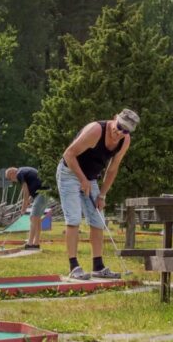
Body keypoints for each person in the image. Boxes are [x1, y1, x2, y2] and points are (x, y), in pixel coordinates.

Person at [56, 109, 140, 280]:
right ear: (115, 118)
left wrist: (102, 195)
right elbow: (68, 154)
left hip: (91, 178)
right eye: (119, 127)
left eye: (125, 131)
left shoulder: (125, 141)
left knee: (97, 220)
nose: (120, 132)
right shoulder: (95, 130)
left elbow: (113, 168)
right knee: (73, 219)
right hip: (69, 173)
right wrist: (82, 179)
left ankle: (98, 266)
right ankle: (74, 266)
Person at [5, 167, 48, 250]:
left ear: (11, 173)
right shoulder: (24, 171)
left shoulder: (19, 174)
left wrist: (23, 207)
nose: (13, 181)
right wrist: (28, 200)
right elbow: (32, 184)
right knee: (37, 219)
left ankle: (30, 243)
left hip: (41, 193)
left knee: (33, 217)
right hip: (45, 192)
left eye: (10, 179)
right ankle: (36, 243)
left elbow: (25, 190)